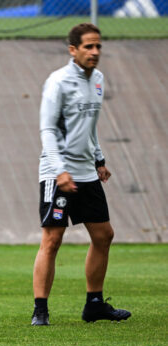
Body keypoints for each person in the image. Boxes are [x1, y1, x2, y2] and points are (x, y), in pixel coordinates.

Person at [31, 23, 131, 326]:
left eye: (98, 46)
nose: (95, 52)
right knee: (52, 239)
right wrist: (59, 170)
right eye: (88, 46)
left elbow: (88, 126)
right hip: (56, 171)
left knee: (104, 235)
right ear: (73, 49)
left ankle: (95, 305)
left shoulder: (98, 80)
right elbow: (47, 130)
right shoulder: (58, 82)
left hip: (87, 171)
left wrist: (99, 159)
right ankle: (40, 310)